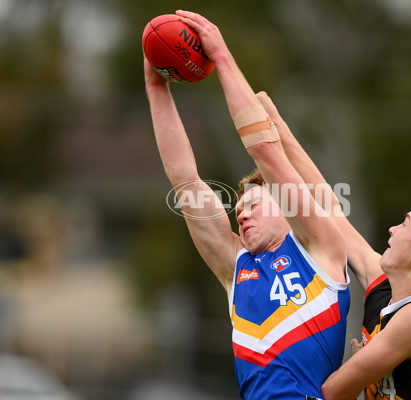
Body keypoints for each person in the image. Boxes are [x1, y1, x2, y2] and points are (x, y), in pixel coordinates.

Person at [144, 10, 350, 400]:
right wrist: (156, 84)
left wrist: (221, 57)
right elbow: (185, 179)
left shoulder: (323, 250)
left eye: (254, 202)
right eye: (240, 207)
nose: (241, 212)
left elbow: (267, 154)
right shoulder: (234, 266)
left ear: (287, 209)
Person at [252, 75, 411, 400]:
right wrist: (276, 126)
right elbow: (330, 211)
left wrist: (363, 361)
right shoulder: (385, 290)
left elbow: (334, 392)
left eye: (405, 223)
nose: (393, 229)